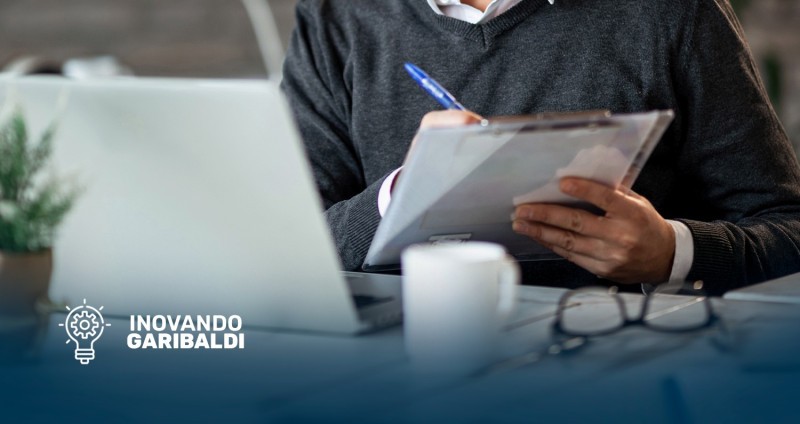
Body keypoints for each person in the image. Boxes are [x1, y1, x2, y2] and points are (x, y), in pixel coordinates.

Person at [280, 0, 800, 295]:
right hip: (397, 374)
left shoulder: (671, 12)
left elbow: (788, 230)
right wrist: (399, 196)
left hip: (615, 370)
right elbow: (281, 248)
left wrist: (671, 253)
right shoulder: (336, 16)